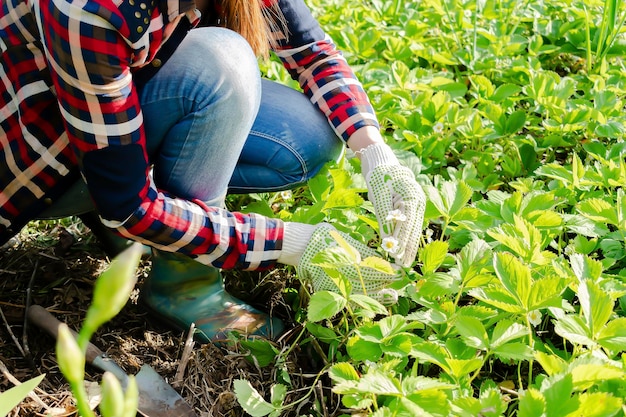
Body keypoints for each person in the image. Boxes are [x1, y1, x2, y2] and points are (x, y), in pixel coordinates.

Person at [0, 0, 425, 342]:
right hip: (41, 166)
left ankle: (158, 213)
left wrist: (375, 152)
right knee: (222, 63)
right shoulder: (88, 8)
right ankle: (186, 286)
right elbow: (127, 206)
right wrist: (292, 242)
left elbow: (310, 50)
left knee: (305, 137)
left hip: (110, 122)